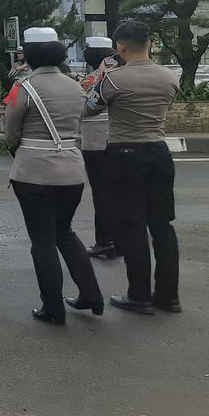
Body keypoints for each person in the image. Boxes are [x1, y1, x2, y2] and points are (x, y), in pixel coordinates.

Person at [3, 27, 103, 325]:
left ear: (29, 55)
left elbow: (10, 133)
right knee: (65, 232)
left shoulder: (23, 88)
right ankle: (92, 297)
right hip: (72, 171)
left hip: (33, 173)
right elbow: (82, 119)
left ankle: (53, 308)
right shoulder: (77, 87)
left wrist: (19, 153)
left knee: (42, 240)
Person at [85, 19, 182, 315]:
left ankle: (138, 295)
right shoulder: (170, 77)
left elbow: (90, 108)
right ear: (150, 43)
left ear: (120, 47)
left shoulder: (114, 80)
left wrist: (100, 79)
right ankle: (168, 297)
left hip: (124, 153)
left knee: (132, 225)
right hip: (159, 151)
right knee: (162, 225)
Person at [79, 37, 118, 260]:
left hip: (96, 143)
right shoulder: (119, 71)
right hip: (117, 141)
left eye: (86, 50)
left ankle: (105, 242)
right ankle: (119, 240)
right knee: (117, 194)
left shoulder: (100, 76)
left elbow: (86, 107)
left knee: (102, 195)